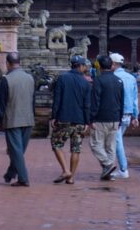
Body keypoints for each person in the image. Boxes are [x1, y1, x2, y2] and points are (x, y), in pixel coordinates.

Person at [0, 52, 35, 187]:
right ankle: (10, 173)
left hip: (13, 119)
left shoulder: (7, 79)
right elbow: (33, 100)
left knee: (16, 150)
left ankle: (23, 178)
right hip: (28, 118)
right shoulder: (30, 78)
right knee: (19, 150)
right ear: (19, 62)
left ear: (7, 63)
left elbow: (1, 102)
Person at [49, 55, 92, 185]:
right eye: (84, 65)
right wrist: (87, 122)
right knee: (76, 148)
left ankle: (65, 170)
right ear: (81, 66)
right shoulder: (86, 82)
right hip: (79, 120)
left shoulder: (62, 78)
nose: (85, 67)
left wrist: (54, 116)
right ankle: (71, 177)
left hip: (64, 118)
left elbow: (57, 99)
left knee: (56, 144)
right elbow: (87, 105)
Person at [89, 55, 124, 181]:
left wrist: (91, 118)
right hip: (115, 117)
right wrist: (119, 118)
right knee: (110, 146)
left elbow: (95, 100)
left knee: (95, 144)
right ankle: (107, 172)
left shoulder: (98, 80)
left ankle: (108, 164)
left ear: (99, 66)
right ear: (112, 65)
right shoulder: (118, 80)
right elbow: (121, 101)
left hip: (101, 117)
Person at [110, 53, 139, 179]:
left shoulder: (113, 77)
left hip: (117, 113)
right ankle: (115, 166)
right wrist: (136, 116)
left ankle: (123, 168)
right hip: (128, 114)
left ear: (114, 64)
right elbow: (135, 98)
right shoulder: (131, 77)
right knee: (116, 140)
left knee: (117, 141)